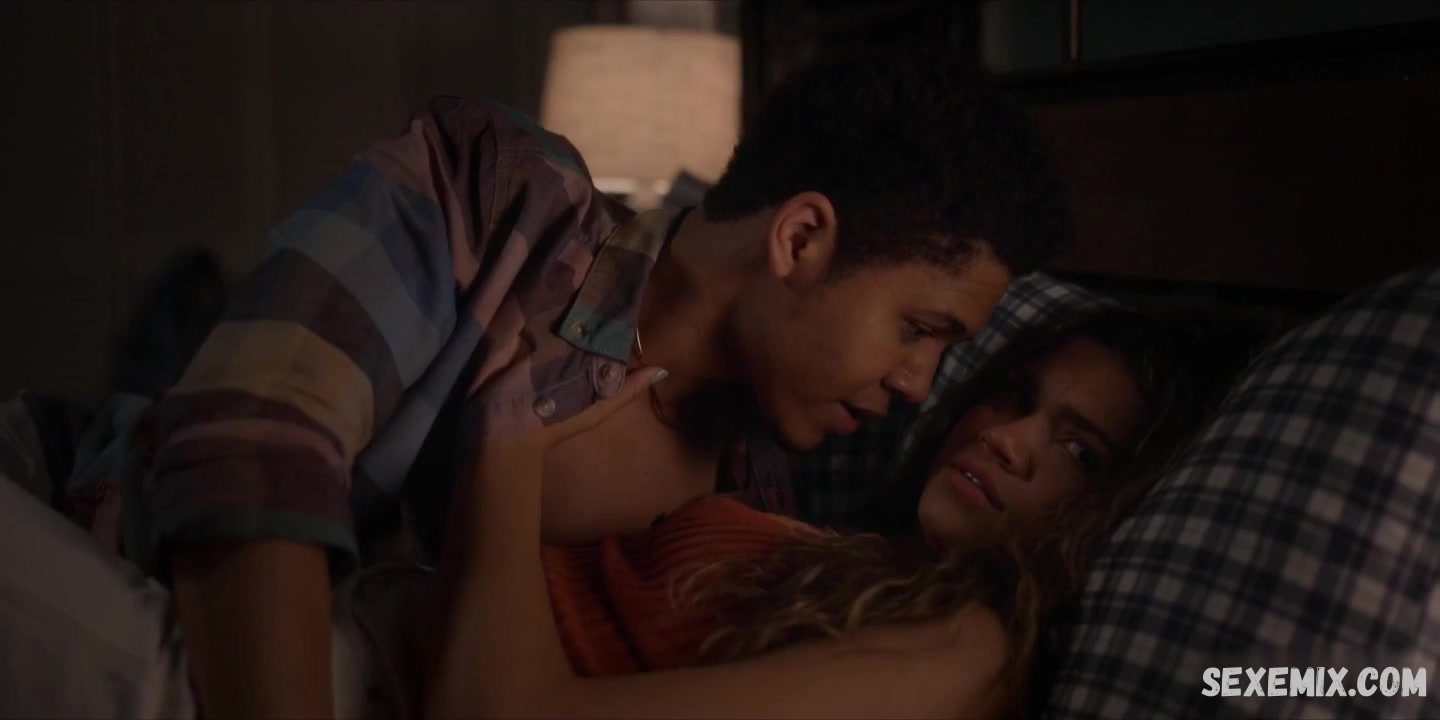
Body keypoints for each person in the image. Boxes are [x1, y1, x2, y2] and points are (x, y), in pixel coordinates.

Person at [71, 48, 1071, 718]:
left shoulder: (756, 503)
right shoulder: (508, 204)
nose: (918, 385)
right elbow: (258, 442)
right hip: (97, 534)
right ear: (801, 237)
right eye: (919, 329)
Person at [399, 306, 1235, 718]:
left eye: (1079, 451)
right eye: (1016, 398)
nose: (1007, 438)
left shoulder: (970, 649)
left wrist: (507, 442)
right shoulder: (857, 555)